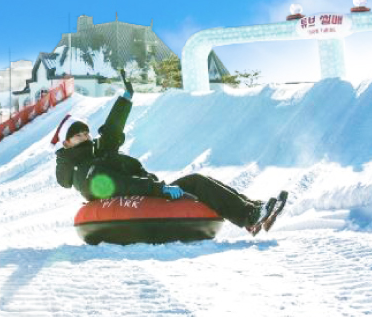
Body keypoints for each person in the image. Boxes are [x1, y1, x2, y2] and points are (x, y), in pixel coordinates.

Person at [54, 71, 287, 236]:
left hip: (149, 191)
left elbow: (112, 132)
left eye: (86, 132)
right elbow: (121, 185)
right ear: (66, 143)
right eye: (78, 135)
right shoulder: (84, 170)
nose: (85, 137)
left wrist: (125, 98)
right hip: (144, 196)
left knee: (201, 180)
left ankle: (253, 210)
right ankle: (251, 216)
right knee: (196, 182)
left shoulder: (95, 155)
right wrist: (159, 189)